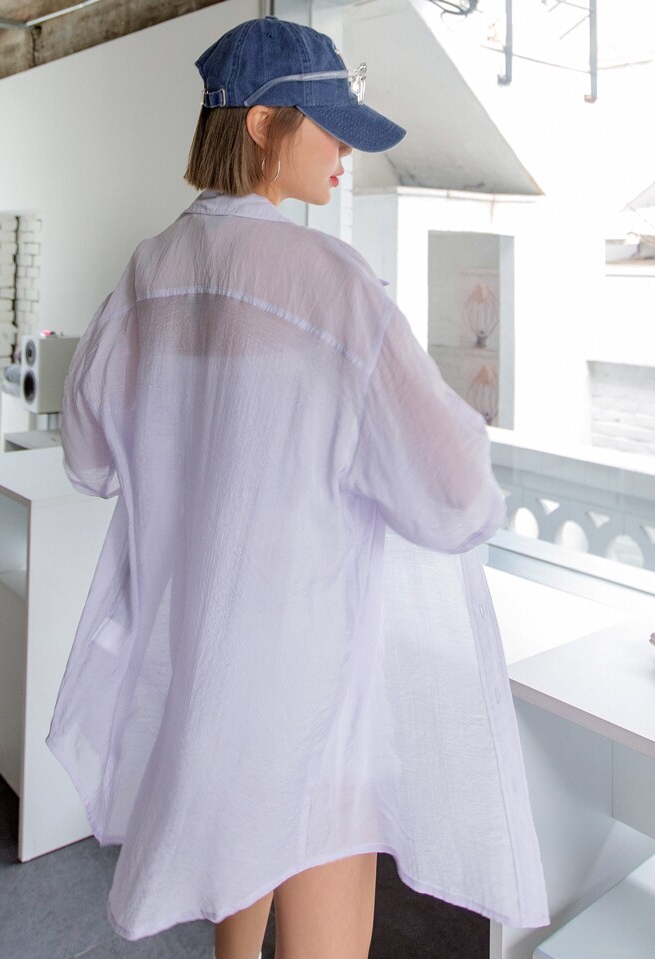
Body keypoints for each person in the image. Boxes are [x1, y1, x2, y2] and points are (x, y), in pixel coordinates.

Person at [47, 16, 549, 959]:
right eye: (333, 127)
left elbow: (88, 458)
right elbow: (457, 494)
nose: (348, 152)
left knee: (233, 903)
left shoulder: (147, 274)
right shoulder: (330, 282)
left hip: (202, 672)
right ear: (263, 123)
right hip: (310, 687)